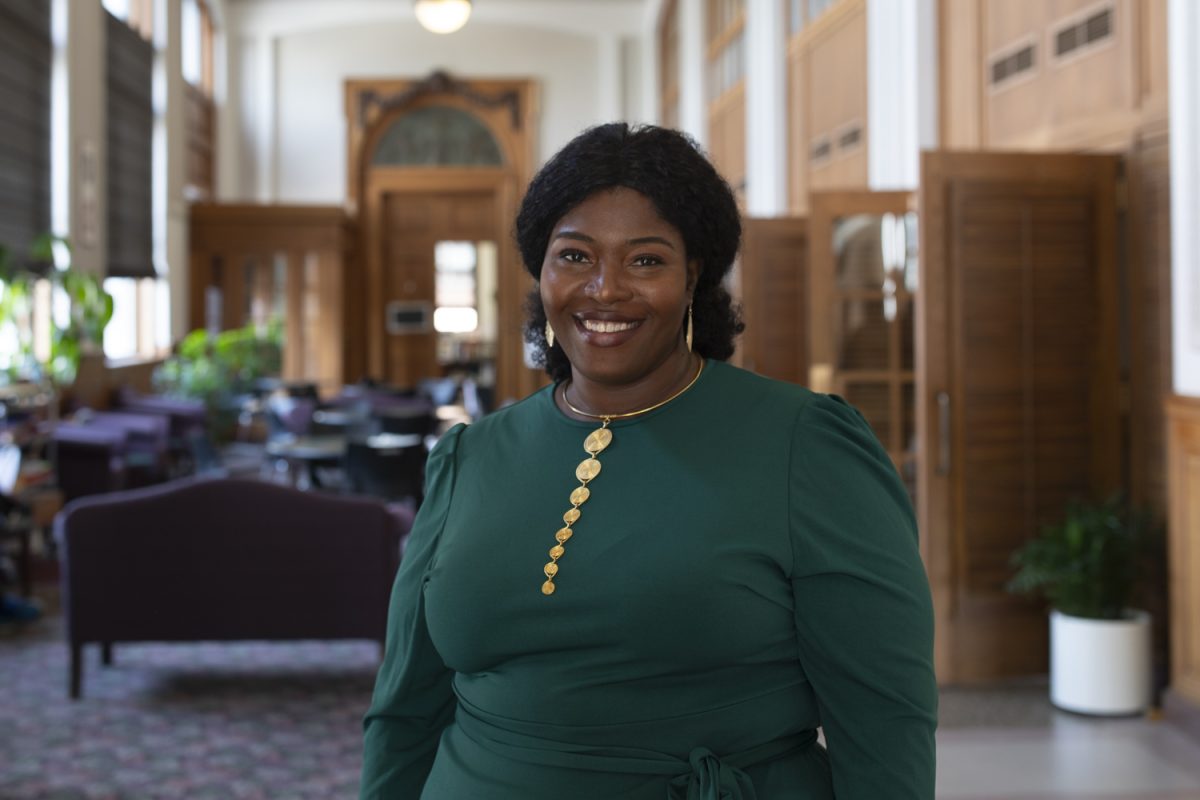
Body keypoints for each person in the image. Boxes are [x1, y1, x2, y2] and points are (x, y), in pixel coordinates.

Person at [361, 123, 937, 799]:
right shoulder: (469, 456)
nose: (604, 289)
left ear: (694, 277)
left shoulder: (805, 446)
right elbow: (405, 709)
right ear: (540, 271)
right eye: (574, 256)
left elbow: (884, 723)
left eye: (645, 261)